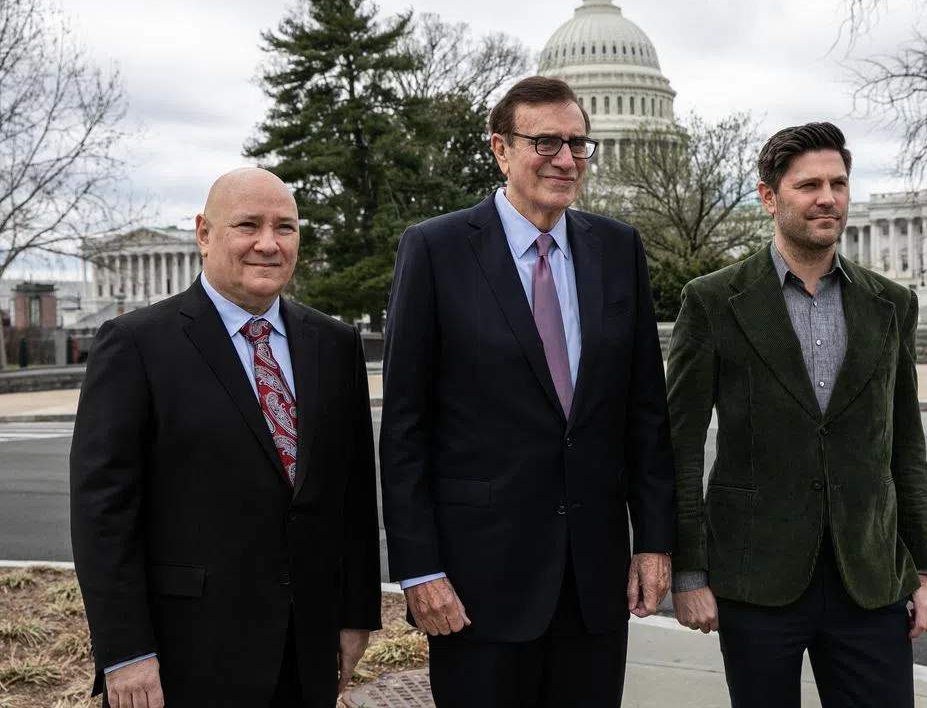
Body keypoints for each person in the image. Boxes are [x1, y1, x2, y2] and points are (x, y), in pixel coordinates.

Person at [378, 75, 676, 708]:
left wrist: (653, 540)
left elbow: (645, 414)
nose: (565, 160)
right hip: (476, 584)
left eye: (577, 144)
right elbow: (406, 426)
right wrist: (420, 570)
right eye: (545, 142)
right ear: (500, 148)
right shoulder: (435, 250)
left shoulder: (618, 249)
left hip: (594, 583)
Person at [70, 167, 381, 708]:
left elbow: (353, 493)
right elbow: (103, 514)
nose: (268, 243)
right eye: (247, 225)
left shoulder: (333, 344)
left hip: (305, 651)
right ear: (204, 233)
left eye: (285, 227)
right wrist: (125, 652)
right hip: (184, 655)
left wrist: (355, 615)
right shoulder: (136, 344)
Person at [667, 122, 927, 707]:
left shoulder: (892, 304)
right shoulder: (714, 301)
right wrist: (689, 575)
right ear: (769, 197)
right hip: (755, 580)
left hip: (868, 580)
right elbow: (680, 447)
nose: (828, 198)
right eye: (809, 185)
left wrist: (923, 572)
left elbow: (905, 445)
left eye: (838, 183)